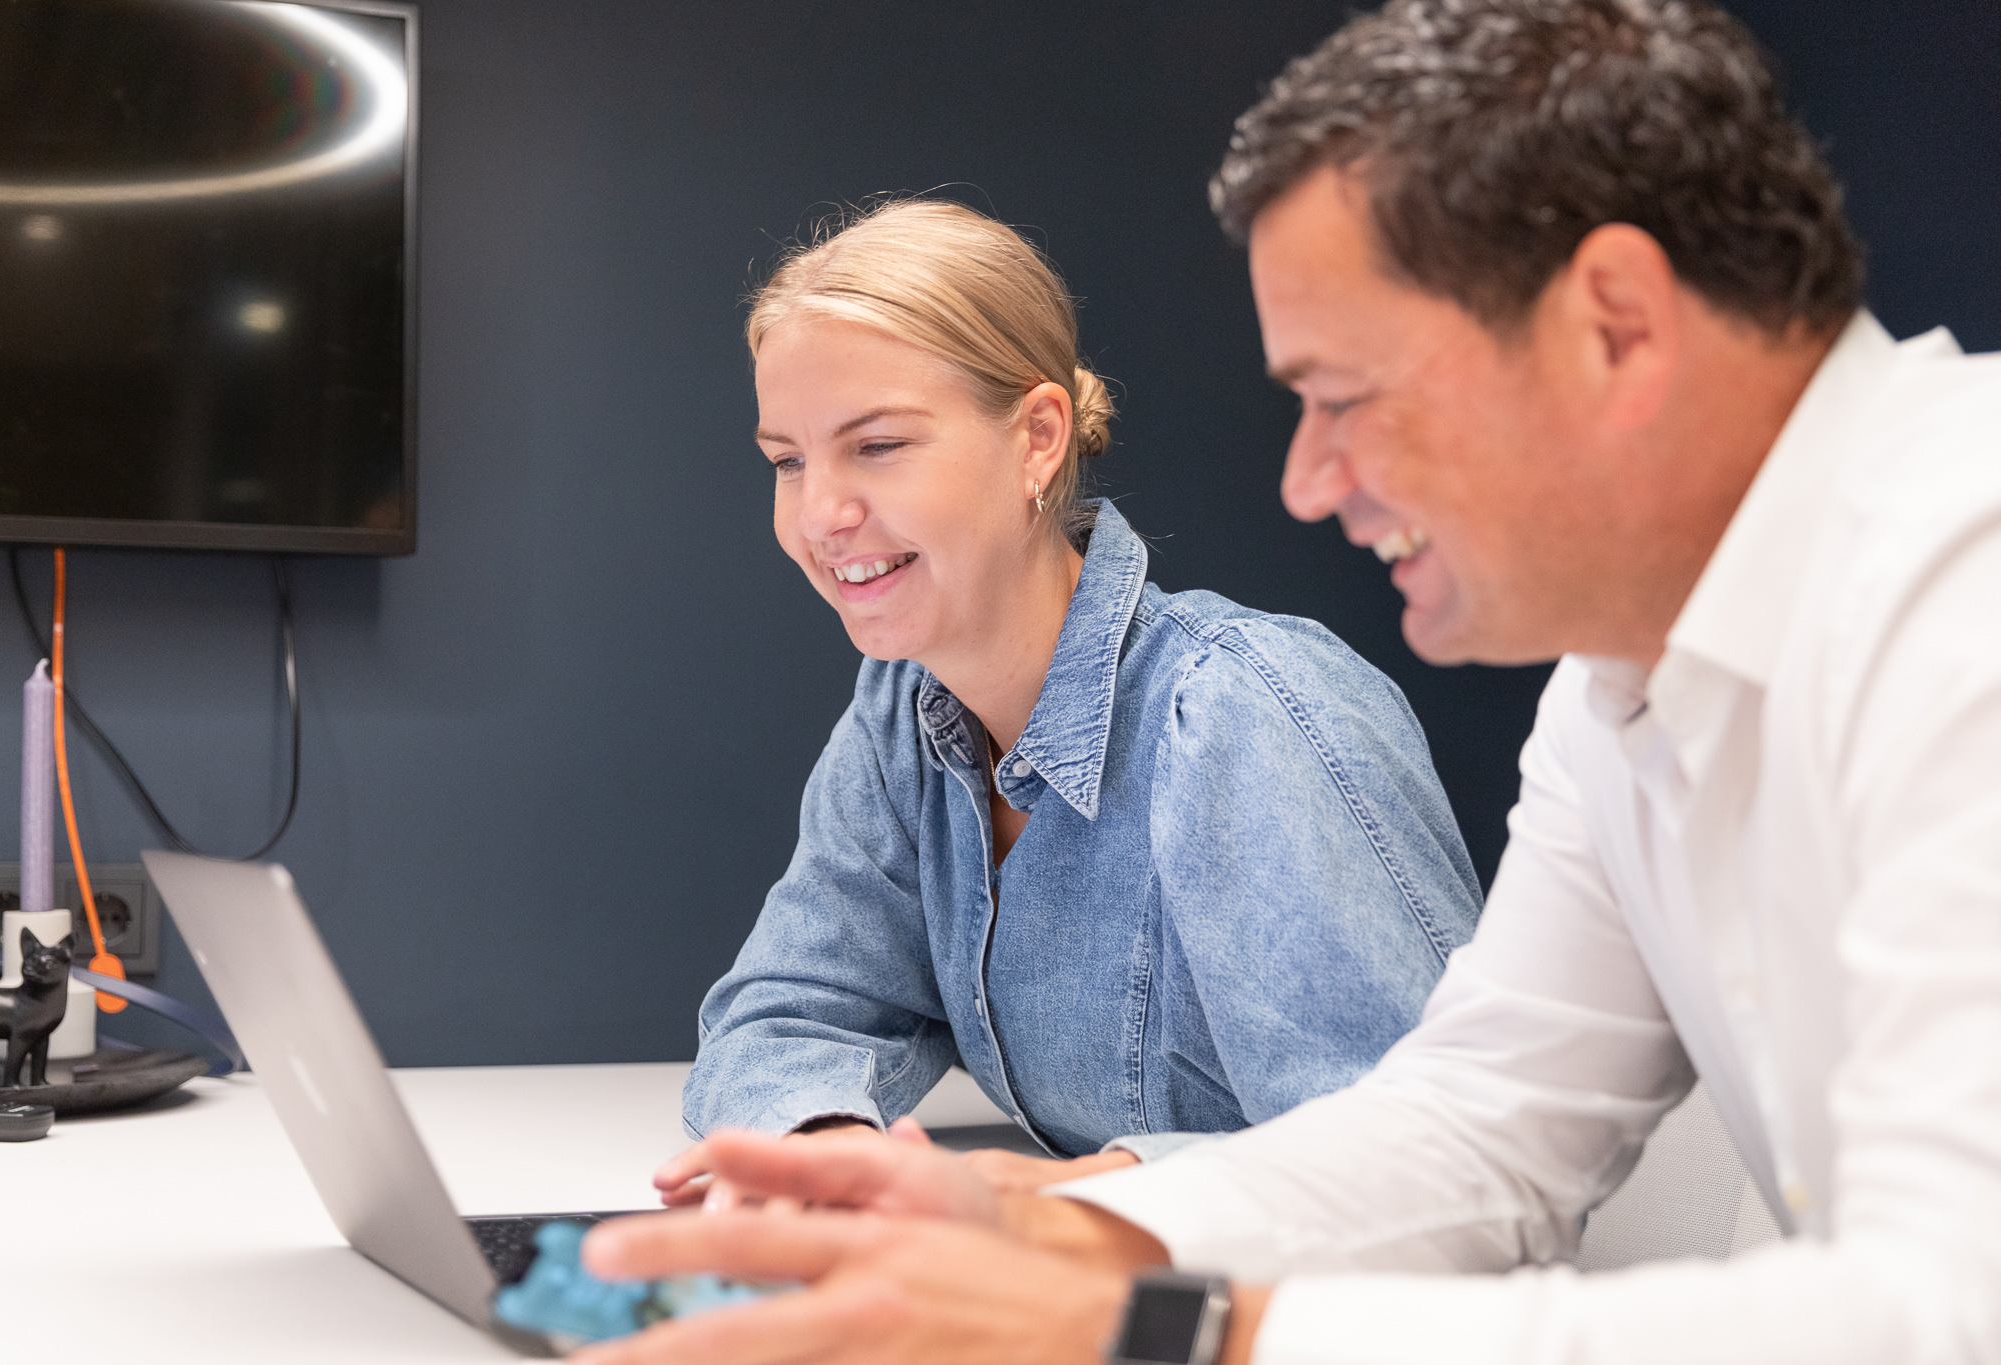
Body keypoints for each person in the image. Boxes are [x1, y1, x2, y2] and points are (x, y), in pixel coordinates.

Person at [572, 2, 2001, 1363]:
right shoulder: (1620, 680)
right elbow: (1473, 1130)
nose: (1308, 483)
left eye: (1346, 396)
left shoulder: (1965, 576)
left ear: (1615, 324)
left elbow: (1956, 1316)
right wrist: (1045, 1231)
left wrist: (1164, 1325)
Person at [667, 200, 1482, 1198]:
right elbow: (794, 1004)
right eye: (787, 462)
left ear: (1038, 440)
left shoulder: (1246, 715)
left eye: (876, 446)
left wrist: (1078, 1202)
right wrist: (823, 1148)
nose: (820, 514)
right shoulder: (904, 709)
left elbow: (1422, 1166)